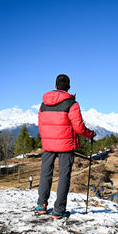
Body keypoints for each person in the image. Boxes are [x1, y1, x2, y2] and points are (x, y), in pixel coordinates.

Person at [36, 74, 96, 219]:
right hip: (66, 146)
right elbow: (79, 127)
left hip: (48, 145)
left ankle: (41, 205)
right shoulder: (72, 104)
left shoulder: (43, 104)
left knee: (45, 174)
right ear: (68, 87)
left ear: (55, 86)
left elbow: (40, 125)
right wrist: (91, 134)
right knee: (64, 177)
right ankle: (59, 210)